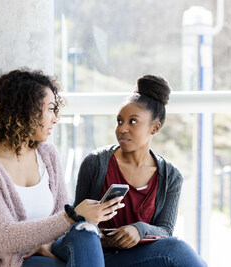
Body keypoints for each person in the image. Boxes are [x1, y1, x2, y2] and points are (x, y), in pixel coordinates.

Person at [0, 69, 124, 267]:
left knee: (86, 233)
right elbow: (5, 237)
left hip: (52, 249)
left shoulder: (48, 154)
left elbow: (60, 215)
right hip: (13, 260)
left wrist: (55, 238)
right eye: (50, 109)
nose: (55, 118)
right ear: (24, 110)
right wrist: (72, 216)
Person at [74, 75, 207, 266]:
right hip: (99, 255)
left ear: (155, 128)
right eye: (119, 121)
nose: (122, 129)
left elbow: (165, 231)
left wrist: (140, 230)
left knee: (175, 248)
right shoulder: (95, 163)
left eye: (133, 122)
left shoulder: (171, 176)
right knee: (176, 250)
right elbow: (76, 224)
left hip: (144, 257)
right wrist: (107, 238)